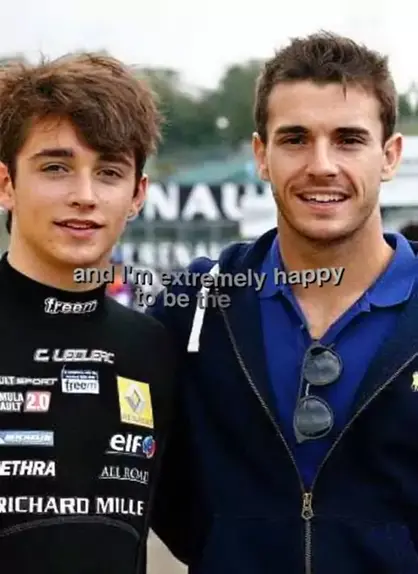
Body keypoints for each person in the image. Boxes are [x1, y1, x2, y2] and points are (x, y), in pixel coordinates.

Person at [148, 32, 418, 574]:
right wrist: (228, 546)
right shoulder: (194, 306)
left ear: (389, 156)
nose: (321, 165)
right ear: (261, 155)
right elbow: (157, 483)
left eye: (348, 139)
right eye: (295, 139)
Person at [0, 53, 174, 574]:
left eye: (109, 172)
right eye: (56, 168)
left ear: (137, 194)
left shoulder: (154, 347)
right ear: (6, 184)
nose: (84, 196)